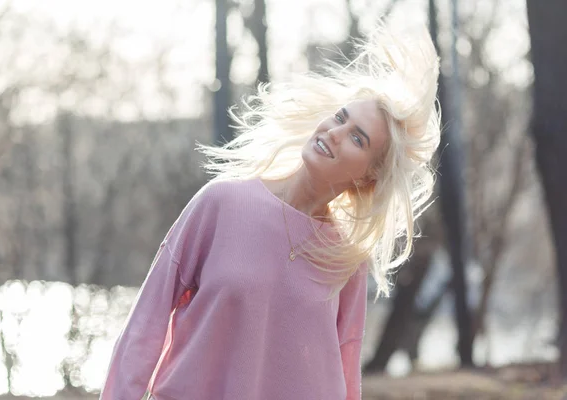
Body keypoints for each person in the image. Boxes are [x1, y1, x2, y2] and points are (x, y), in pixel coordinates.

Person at [100, 21, 441, 400]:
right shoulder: (221, 203)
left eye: (357, 138)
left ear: (368, 177)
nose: (335, 132)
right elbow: (144, 326)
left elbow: (343, 375)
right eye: (340, 117)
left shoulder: (345, 260)